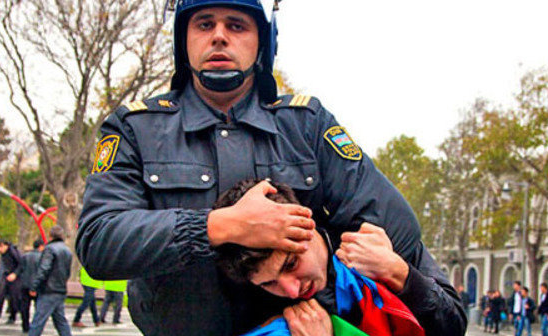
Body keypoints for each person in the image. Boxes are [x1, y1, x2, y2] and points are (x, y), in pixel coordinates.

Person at [76, 1, 466, 336]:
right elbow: (99, 241)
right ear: (183, 38)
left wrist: (316, 288)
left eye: (237, 25)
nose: (219, 37)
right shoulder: (135, 127)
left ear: (264, 38)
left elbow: (395, 234)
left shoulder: (307, 124)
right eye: (204, 24)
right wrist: (223, 226)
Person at [214, 179, 424, 336]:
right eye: (269, 283)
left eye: (291, 264)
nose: (292, 291)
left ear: (305, 221)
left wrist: (400, 274)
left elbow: (450, 321)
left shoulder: (378, 261)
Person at [28, 226, 73, 336]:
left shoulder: (50, 249)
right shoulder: (67, 250)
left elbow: (44, 269)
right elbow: (67, 272)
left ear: (50, 236)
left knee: (38, 321)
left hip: (49, 289)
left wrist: (34, 286)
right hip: (60, 289)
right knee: (60, 321)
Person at [0, 240, 24, 325]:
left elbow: (21, 264)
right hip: (5, 274)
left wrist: (15, 274)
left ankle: (12, 316)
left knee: (14, 297)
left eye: (1, 247)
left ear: (5, 246)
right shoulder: (3, 253)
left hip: (14, 276)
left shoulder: (13, 251)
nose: (0, 250)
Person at [17, 238, 44, 333]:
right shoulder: (42, 257)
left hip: (25, 284)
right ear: (41, 246)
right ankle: (35, 326)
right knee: (38, 308)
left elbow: (20, 269)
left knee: (25, 307)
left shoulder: (25, 256)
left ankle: (25, 326)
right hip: (37, 285)